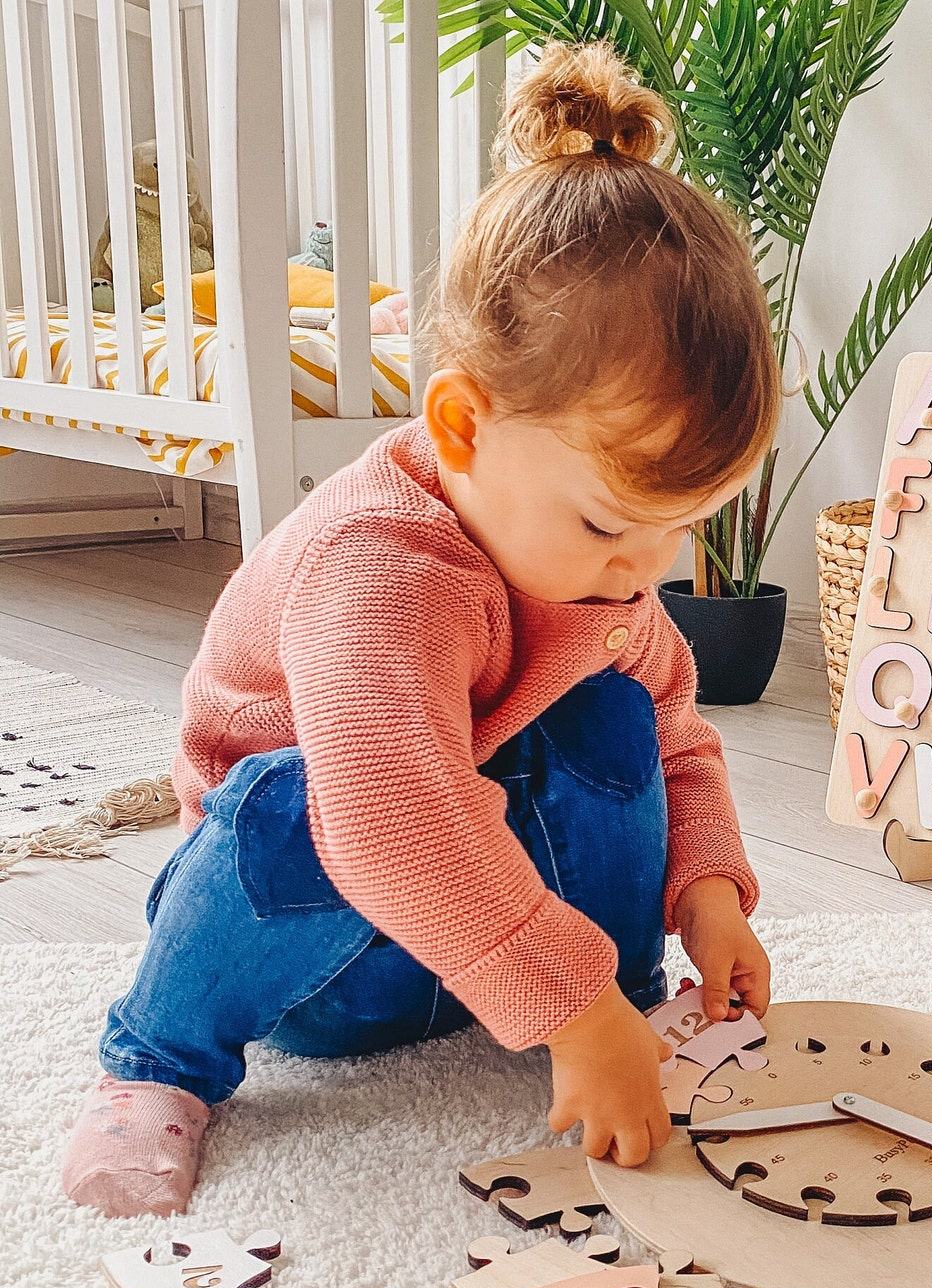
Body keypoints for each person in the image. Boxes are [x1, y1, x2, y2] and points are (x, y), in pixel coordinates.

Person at [62, 39, 778, 1217]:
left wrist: (706, 893)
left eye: (679, 527)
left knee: (614, 704)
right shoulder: (382, 567)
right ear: (461, 424)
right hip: (320, 957)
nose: (647, 567)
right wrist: (567, 1007)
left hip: (497, 924)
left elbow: (678, 735)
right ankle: (155, 1063)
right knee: (303, 801)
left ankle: (619, 996)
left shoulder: (603, 572)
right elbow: (389, 826)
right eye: (609, 520)